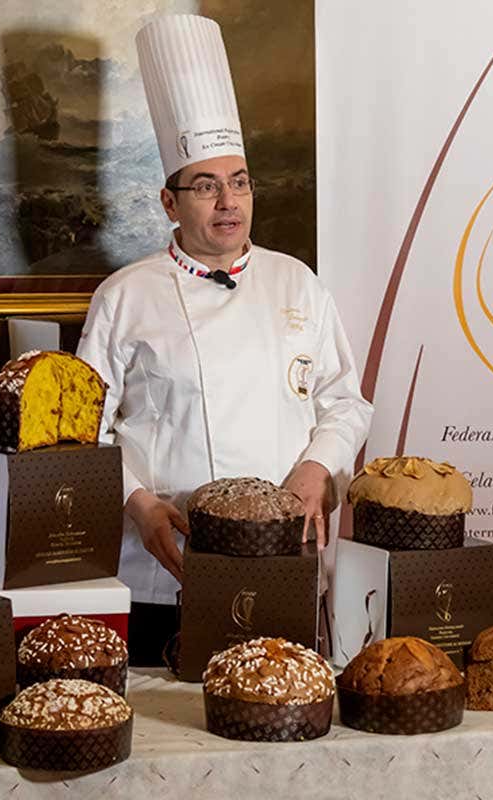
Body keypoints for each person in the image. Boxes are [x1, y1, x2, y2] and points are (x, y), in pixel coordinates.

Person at [76, 14, 373, 666]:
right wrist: (139, 504)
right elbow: (83, 433)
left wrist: (317, 467)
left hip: (284, 561)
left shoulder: (298, 282)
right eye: (206, 187)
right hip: (165, 568)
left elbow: (345, 402)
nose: (227, 202)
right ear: (169, 202)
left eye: (238, 182)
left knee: (282, 706)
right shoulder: (124, 296)